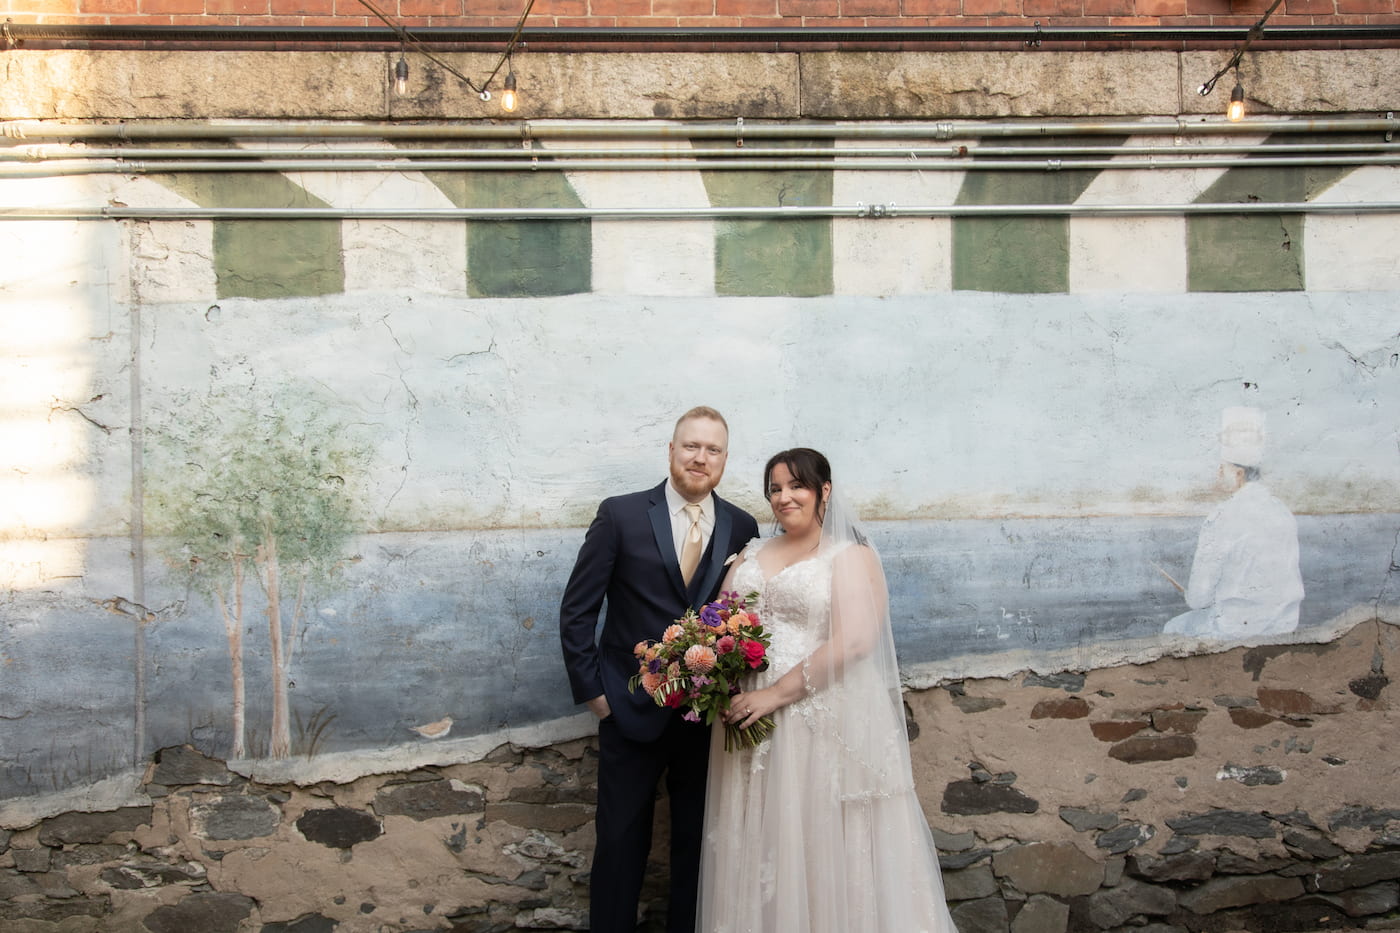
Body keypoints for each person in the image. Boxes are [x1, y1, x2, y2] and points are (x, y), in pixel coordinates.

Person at [699, 448, 957, 933]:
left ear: (825, 491)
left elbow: (856, 641)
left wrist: (773, 695)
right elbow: (719, 623)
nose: (784, 497)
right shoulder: (753, 553)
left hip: (814, 717)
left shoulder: (849, 556)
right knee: (758, 836)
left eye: (796, 486)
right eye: (774, 488)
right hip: (746, 719)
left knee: (817, 839)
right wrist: (700, 671)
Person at [559, 406, 760, 933]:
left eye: (712, 450)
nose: (700, 458)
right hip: (629, 710)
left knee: (699, 846)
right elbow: (578, 609)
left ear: (724, 459)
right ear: (671, 450)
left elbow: (744, 615)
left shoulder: (742, 525)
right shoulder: (620, 514)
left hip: (705, 716)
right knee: (621, 843)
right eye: (691, 446)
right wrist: (595, 694)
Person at [1164, 407, 1304, 639]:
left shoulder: (1221, 517)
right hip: (1285, 623)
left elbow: (1198, 600)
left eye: (1222, 469)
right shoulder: (1282, 512)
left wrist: (1190, 595)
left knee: (1173, 629)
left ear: (1238, 474)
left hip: (1236, 628)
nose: (1218, 475)